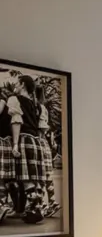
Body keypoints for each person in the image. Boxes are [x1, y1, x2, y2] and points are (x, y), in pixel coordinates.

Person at [7, 75, 51, 224]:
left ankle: (34, 209)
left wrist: (15, 144)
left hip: (24, 139)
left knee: (25, 177)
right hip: (36, 142)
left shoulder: (14, 100)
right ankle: (36, 208)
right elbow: (41, 129)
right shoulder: (37, 105)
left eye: (17, 83)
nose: (15, 85)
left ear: (22, 84)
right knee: (34, 177)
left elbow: (16, 122)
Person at [34, 85, 58, 218]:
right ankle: (52, 201)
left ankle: (43, 203)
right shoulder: (43, 107)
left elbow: (42, 127)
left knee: (39, 175)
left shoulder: (37, 107)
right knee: (47, 175)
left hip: (38, 142)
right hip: (45, 143)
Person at [0, 96, 14, 223]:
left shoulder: (2, 103)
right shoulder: (6, 103)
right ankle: (3, 204)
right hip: (7, 141)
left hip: (2, 141)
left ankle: (2, 204)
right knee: (3, 177)